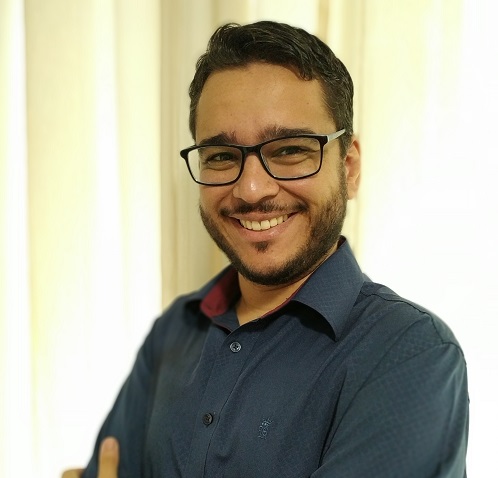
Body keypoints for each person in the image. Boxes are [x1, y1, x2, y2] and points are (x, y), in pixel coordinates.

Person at [63, 20, 469, 478]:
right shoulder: (175, 330)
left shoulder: (409, 353)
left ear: (349, 167)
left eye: (290, 150)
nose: (252, 189)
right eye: (221, 156)